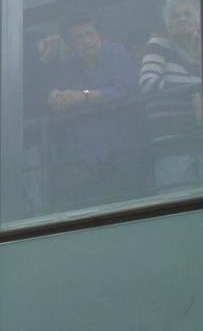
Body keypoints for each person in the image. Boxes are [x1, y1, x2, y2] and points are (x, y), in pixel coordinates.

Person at [39, 16, 138, 208]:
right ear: (71, 46)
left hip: (121, 152)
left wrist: (83, 96)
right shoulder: (68, 66)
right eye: (79, 38)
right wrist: (56, 98)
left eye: (90, 34)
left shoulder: (116, 52)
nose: (86, 41)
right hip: (84, 160)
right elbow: (61, 104)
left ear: (99, 36)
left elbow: (125, 90)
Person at [137, 0, 203, 189]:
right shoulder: (158, 46)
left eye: (187, 14)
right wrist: (194, 90)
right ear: (168, 24)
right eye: (175, 16)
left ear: (197, 21)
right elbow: (147, 85)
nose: (182, 18)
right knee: (179, 203)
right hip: (172, 144)